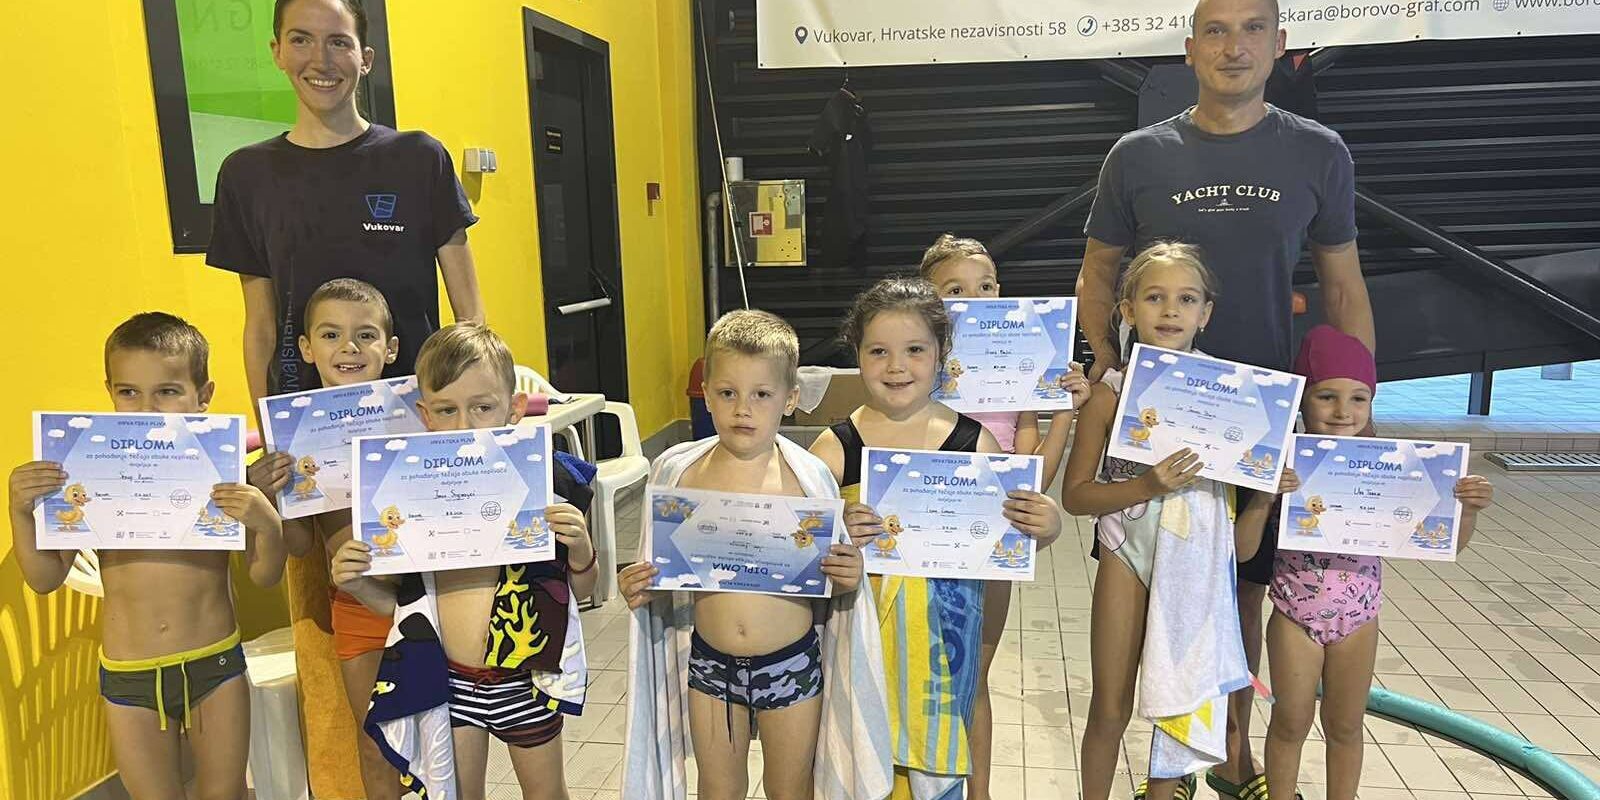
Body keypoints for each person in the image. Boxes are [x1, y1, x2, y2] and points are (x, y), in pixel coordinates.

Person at [1074, 0, 1376, 788]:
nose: (1234, 46)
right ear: (1190, 49)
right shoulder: (1137, 155)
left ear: (1279, 45)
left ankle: (1228, 757)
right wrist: (1104, 370)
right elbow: (1098, 272)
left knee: (1242, 593)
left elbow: (1344, 287)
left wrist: (1357, 411)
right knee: (1145, 581)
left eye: (1251, 30)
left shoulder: (1318, 152)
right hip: (1157, 421)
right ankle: (1168, 767)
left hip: (1259, 422)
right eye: (1216, 30)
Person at [9, 312, 287, 800]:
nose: (147, 408)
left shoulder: (221, 474)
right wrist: (19, 510)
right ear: (110, 392)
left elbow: (264, 575)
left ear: (203, 396)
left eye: (168, 391)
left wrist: (267, 523)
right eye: (129, 392)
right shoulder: (89, 474)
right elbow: (44, 578)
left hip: (214, 663)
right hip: (129, 675)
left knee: (224, 794)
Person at [809, 277, 1065, 797]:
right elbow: (804, 551)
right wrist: (835, 533)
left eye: (915, 350)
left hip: (945, 652)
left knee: (936, 772)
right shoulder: (833, 449)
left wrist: (1046, 526)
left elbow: (1006, 542)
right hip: (861, 649)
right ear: (856, 354)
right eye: (878, 351)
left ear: (941, 355)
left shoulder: (974, 442)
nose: (896, 366)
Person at [617, 309, 879, 800]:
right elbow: (661, 574)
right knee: (717, 790)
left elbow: (837, 581)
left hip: (791, 663)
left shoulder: (808, 479)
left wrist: (849, 577)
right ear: (705, 394)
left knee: (790, 790)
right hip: (710, 665)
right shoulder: (678, 474)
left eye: (761, 394)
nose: (743, 409)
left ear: (790, 398)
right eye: (727, 393)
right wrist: (642, 585)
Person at [332, 322, 596, 800]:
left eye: (482, 407)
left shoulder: (545, 491)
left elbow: (581, 591)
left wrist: (580, 551)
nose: (464, 426)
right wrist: (357, 583)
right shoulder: (411, 501)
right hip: (450, 684)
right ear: (425, 416)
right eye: (446, 410)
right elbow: (398, 609)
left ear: (514, 409)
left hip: (524, 681)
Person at [1062, 244, 1267, 800]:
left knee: (1183, 694)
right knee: (1110, 705)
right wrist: (1147, 486)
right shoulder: (1109, 397)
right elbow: (1076, 496)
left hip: (1199, 556)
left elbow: (1251, 502)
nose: (1171, 310)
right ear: (1128, 310)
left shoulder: (1236, 397)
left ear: (1206, 313)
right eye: (1154, 298)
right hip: (1127, 552)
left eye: (1186, 299)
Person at [1255, 325, 1494, 800]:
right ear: (1303, 401)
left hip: (1359, 618)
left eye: (1358, 399)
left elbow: (1446, 546)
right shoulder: (1282, 464)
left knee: (1346, 726)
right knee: (1290, 722)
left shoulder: (1391, 468)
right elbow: (1244, 546)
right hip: (1293, 615)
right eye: (1327, 396)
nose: (1343, 411)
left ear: (1371, 402)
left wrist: (1466, 511)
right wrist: (1265, 496)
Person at [208, 0, 484, 403]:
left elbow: (470, 319)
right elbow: (262, 327)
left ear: (365, 58)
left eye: (338, 42)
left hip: (416, 411)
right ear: (277, 52)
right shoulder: (246, 174)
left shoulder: (420, 158)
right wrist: (269, 427)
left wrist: (466, 408)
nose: (320, 60)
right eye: (301, 39)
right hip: (307, 420)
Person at [918, 234, 1091, 799]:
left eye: (986, 286)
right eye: (955, 290)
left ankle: (980, 792)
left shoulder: (1018, 375)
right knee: (915, 668)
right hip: (922, 533)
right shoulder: (915, 368)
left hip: (989, 539)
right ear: (928, 300)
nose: (976, 299)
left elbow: (1034, 475)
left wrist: (1062, 409)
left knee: (973, 677)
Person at [247, 278, 403, 798]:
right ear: (307, 348)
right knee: (375, 741)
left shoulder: (418, 414)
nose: (348, 348)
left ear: (390, 348)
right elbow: (298, 546)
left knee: (443, 733)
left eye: (365, 335)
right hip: (357, 604)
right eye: (331, 335)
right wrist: (273, 492)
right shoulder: (296, 434)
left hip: (430, 595)